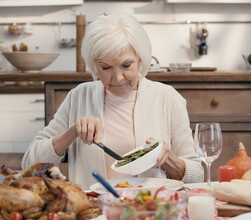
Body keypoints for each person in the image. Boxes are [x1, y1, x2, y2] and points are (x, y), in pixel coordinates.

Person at [22, 14, 204, 190]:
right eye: (106, 67)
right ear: (94, 65)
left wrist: (170, 160)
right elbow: (29, 163)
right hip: (94, 211)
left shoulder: (167, 98)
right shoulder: (79, 97)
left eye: (126, 65)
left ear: (141, 58)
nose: (117, 78)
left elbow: (198, 176)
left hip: (150, 210)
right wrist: (72, 132)